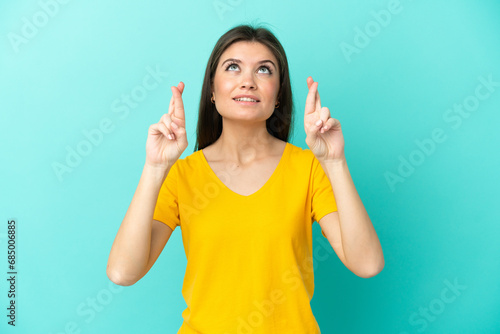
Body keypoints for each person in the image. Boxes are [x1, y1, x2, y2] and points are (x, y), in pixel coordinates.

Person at [107, 23, 384, 333]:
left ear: (278, 94)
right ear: (212, 89)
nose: (248, 82)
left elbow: (367, 264)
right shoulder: (183, 175)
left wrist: (334, 162)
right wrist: (155, 168)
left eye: (264, 70)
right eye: (233, 67)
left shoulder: (308, 169)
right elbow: (122, 272)